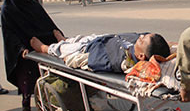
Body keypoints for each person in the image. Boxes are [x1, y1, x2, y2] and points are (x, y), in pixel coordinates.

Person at [1, 0, 64, 111]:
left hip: (40, 45)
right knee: (27, 80)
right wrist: (21, 48)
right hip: (25, 50)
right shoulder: (7, 10)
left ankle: (45, 102)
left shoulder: (31, 4)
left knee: (44, 76)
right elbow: (9, 33)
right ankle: (26, 101)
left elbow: (46, 22)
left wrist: (57, 33)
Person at [30, 31, 171, 73]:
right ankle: (65, 39)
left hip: (90, 49)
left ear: (141, 56)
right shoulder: (141, 45)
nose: (140, 37)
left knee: (65, 48)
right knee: (80, 38)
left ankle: (45, 48)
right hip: (101, 39)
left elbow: (94, 62)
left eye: (142, 40)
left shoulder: (120, 61)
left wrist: (78, 59)